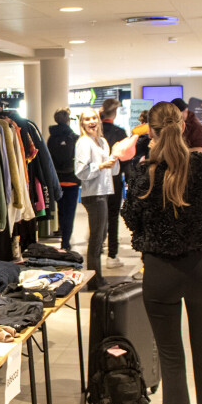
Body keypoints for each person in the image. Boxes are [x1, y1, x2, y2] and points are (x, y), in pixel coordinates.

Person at [121, 101, 202, 404]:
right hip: (200, 268)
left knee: (172, 361)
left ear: (150, 131)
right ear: (182, 126)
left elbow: (132, 218)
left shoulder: (144, 171)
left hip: (160, 271)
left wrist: (142, 170)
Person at [74, 107, 119, 290]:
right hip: (93, 195)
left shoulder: (102, 141)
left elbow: (112, 170)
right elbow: (80, 172)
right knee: (96, 239)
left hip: (103, 192)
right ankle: (94, 280)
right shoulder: (84, 143)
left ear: (99, 120)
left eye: (94, 118)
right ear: (82, 123)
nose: (91, 121)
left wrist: (113, 162)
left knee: (99, 238)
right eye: (87, 119)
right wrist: (100, 166)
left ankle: (97, 277)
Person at [100, 98, 131, 269]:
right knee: (112, 217)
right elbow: (126, 160)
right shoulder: (120, 133)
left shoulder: (97, 132)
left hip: (98, 180)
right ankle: (112, 255)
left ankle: (97, 250)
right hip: (114, 180)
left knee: (98, 217)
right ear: (115, 113)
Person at [47, 108, 80, 251]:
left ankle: (62, 235)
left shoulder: (51, 138)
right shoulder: (74, 137)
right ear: (68, 119)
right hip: (72, 179)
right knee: (70, 212)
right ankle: (66, 242)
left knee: (61, 210)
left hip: (58, 180)